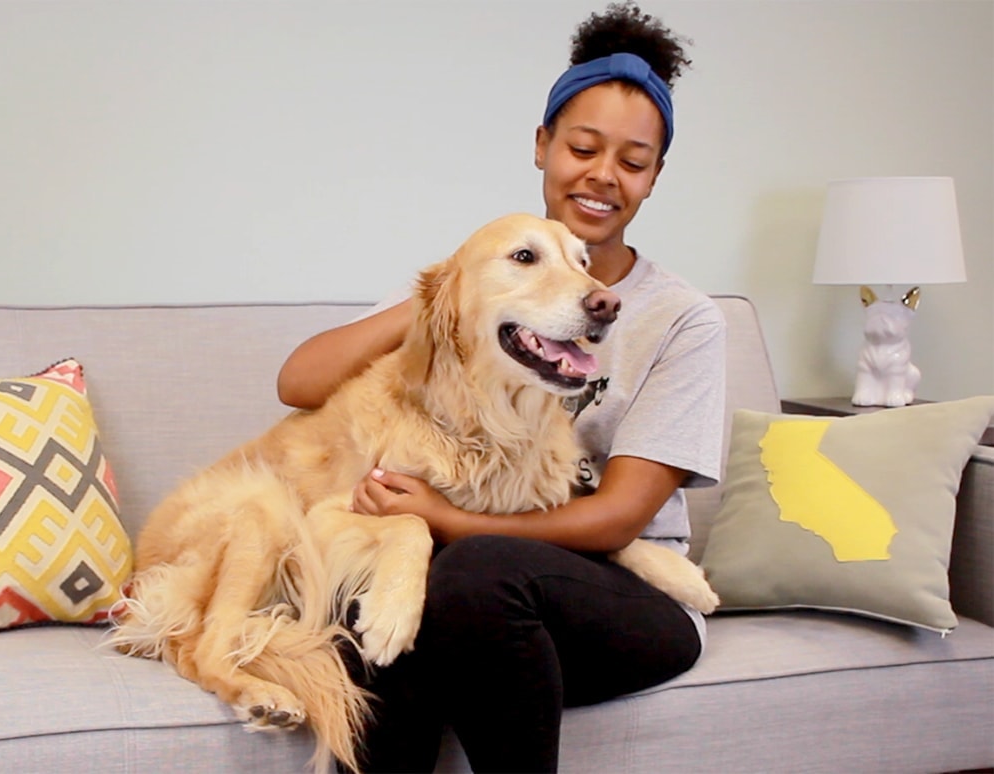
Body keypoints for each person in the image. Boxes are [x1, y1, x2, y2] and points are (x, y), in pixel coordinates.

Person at [276, 3, 726, 772]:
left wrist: (445, 520)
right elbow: (300, 379)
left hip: (623, 596)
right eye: (583, 147)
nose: (602, 175)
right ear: (543, 145)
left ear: (652, 178)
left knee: (465, 571)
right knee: (388, 607)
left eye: (632, 160)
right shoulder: (484, 273)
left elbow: (621, 514)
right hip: (481, 609)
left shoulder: (682, 318)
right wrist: (446, 298)